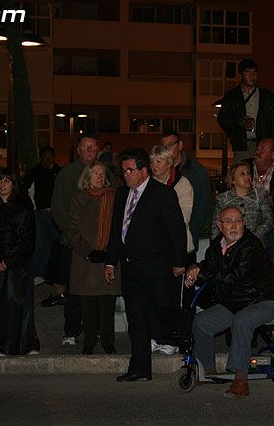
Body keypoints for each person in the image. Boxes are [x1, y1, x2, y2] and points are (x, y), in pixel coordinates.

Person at [104, 149, 186, 382]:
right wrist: (111, 261)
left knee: (162, 313)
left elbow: (176, 229)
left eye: (130, 170)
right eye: (123, 171)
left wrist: (179, 262)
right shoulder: (121, 194)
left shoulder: (162, 193)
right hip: (130, 269)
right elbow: (116, 231)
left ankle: (182, 348)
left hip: (157, 269)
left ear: (143, 171)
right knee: (136, 319)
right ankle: (139, 368)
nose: (126, 175)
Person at [186, 206, 274, 399]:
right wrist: (194, 270)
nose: (234, 225)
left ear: (244, 224)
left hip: (264, 300)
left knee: (243, 320)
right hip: (237, 301)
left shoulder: (251, 246)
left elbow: (232, 277)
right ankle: (207, 372)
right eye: (228, 221)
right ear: (220, 226)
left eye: (238, 221)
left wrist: (202, 273)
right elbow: (209, 266)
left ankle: (240, 380)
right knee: (202, 322)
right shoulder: (216, 246)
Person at [45, 136, 103, 346]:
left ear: (97, 149)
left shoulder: (105, 175)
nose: (89, 150)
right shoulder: (67, 174)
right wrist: (72, 236)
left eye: (93, 146)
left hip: (97, 245)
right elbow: (58, 209)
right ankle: (71, 330)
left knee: (96, 290)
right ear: (78, 149)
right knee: (73, 289)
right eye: (85, 146)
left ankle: (94, 329)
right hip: (73, 243)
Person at [0, 168, 39, 356]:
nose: (2, 185)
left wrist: (10, 259)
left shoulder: (23, 207)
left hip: (17, 264)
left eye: (7, 181)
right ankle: (0, 345)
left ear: (14, 185)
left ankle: (26, 343)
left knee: (19, 305)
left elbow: (27, 237)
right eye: (0, 181)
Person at [67, 161, 120, 355]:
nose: (100, 176)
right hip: (85, 259)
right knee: (87, 303)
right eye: (95, 173)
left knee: (107, 303)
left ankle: (108, 340)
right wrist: (88, 251)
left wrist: (110, 252)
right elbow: (71, 229)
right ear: (87, 177)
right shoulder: (79, 198)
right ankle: (89, 340)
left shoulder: (113, 197)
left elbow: (119, 226)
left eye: (102, 173)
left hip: (108, 258)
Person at [150, 145, 194, 355]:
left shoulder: (182, 184)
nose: (154, 166)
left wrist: (155, 224)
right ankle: (156, 336)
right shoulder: (147, 185)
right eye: (151, 162)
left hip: (177, 249)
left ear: (169, 163)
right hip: (155, 251)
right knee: (156, 296)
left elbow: (182, 218)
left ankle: (172, 339)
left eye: (158, 161)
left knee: (174, 298)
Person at [160, 130, 211, 262]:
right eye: (163, 146)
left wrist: (191, 232)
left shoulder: (196, 172)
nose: (167, 150)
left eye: (170, 144)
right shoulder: (158, 172)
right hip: (161, 242)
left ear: (180, 145)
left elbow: (202, 207)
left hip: (186, 240)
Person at [217, 59, 274, 163]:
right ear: (240, 76)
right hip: (242, 145)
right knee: (242, 173)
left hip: (263, 145)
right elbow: (222, 119)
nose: (252, 76)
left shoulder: (268, 97)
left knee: (263, 175)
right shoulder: (231, 96)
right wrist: (239, 123)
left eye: (254, 73)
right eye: (248, 72)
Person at [22, 146, 61, 287]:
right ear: (41, 157)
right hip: (40, 213)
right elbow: (24, 191)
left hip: (56, 214)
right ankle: (38, 273)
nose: (48, 159)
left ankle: (52, 274)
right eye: (45, 156)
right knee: (39, 244)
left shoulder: (59, 172)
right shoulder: (34, 173)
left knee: (54, 244)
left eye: (50, 156)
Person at [211, 162, 273, 248]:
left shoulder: (260, 195)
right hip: (230, 247)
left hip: (257, 246)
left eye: (248, 173)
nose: (247, 176)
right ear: (232, 180)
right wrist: (215, 248)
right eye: (242, 174)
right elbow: (215, 227)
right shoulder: (222, 199)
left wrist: (252, 237)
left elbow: (268, 221)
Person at [241, 138, 274, 204]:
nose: (257, 152)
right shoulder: (245, 167)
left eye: (262, 149)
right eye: (257, 149)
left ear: (273, 155)